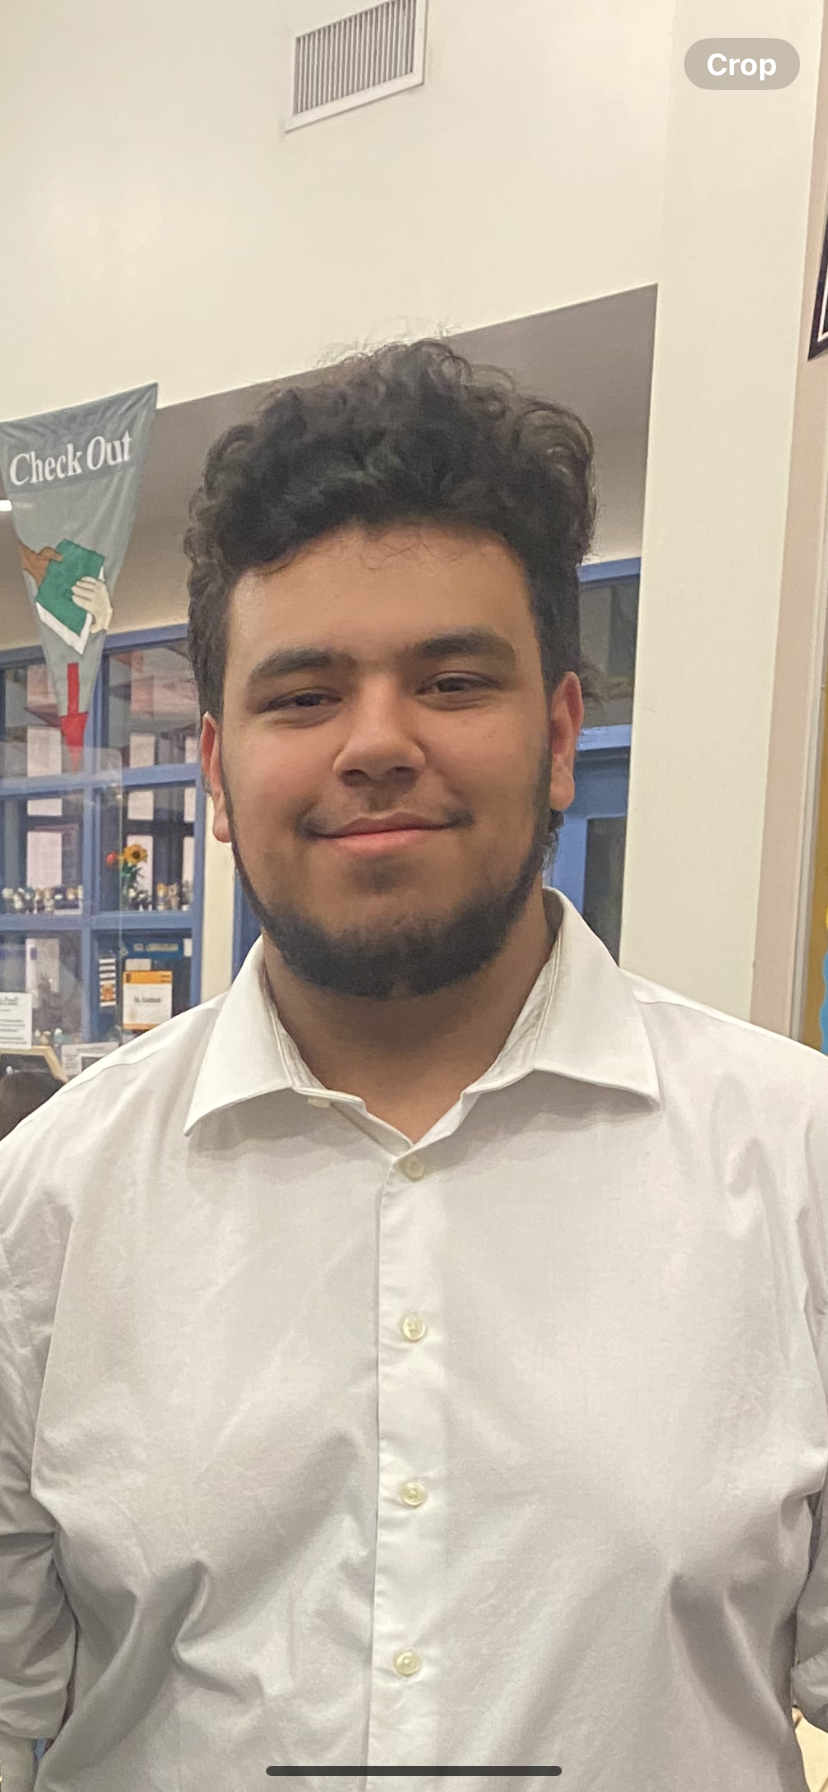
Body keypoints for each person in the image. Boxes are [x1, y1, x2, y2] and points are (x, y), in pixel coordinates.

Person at [1, 340, 828, 1792]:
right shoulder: (45, 1210)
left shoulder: (797, 1166)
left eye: (451, 680)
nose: (376, 744)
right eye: (303, 696)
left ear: (560, 734)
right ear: (216, 763)